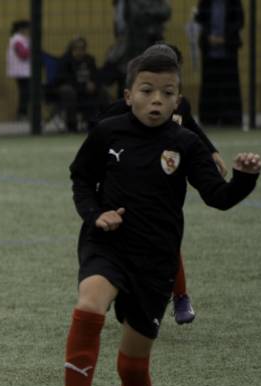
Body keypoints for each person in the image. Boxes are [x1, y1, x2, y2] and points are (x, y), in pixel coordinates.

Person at [45, 48, 261, 386]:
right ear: (129, 95)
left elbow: (217, 197)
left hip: (155, 261)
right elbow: (80, 179)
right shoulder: (107, 131)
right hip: (108, 244)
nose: (156, 100)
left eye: (167, 93)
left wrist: (243, 179)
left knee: (132, 365)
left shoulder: (185, 145)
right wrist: (95, 214)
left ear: (179, 99)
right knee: (88, 305)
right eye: (147, 91)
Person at [91, 42, 230, 324]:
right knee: (116, 242)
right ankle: (114, 289)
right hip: (123, 187)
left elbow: (192, 128)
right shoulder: (119, 112)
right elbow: (99, 139)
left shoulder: (179, 105)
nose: (158, 97)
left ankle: (180, 297)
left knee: (165, 242)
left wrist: (211, 151)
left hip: (160, 185)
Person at [100, 0, 172, 93]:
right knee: (126, 82)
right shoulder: (123, 3)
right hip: (130, 48)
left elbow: (166, 12)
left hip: (146, 46)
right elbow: (123, 25)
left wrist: (147, 13)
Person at [195, 0, 244, 126]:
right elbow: (200, 19)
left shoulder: (234, 2)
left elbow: (239, 21)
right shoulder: (205, 3)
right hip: (209, 49)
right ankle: (209, 118)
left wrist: (225, 37)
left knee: (229, 84)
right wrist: (209, 36)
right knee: (209, 84)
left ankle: (231, 118)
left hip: (228, 49)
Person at [53, 37, 110, 133]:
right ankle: (72, 125)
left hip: (89, 89)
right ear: (71, 49)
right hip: (73, 89)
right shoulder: (65, 61)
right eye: (77, 49)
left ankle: (104, 122)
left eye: (82, 49)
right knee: (68, 91)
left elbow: (96, 75)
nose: (80, 51)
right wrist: (83, 86)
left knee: (103, 91)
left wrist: (94, 84)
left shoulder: (90, 59)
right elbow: (63, 79)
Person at [6, 19, 30, 121]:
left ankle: (23, 113)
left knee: (25, 92)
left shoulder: (21, 39)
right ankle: (22, 113)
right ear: (21, 29)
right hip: (21, 71)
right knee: (25, 92)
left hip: (23, 71)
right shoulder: (17, 40)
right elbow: (23, 54)